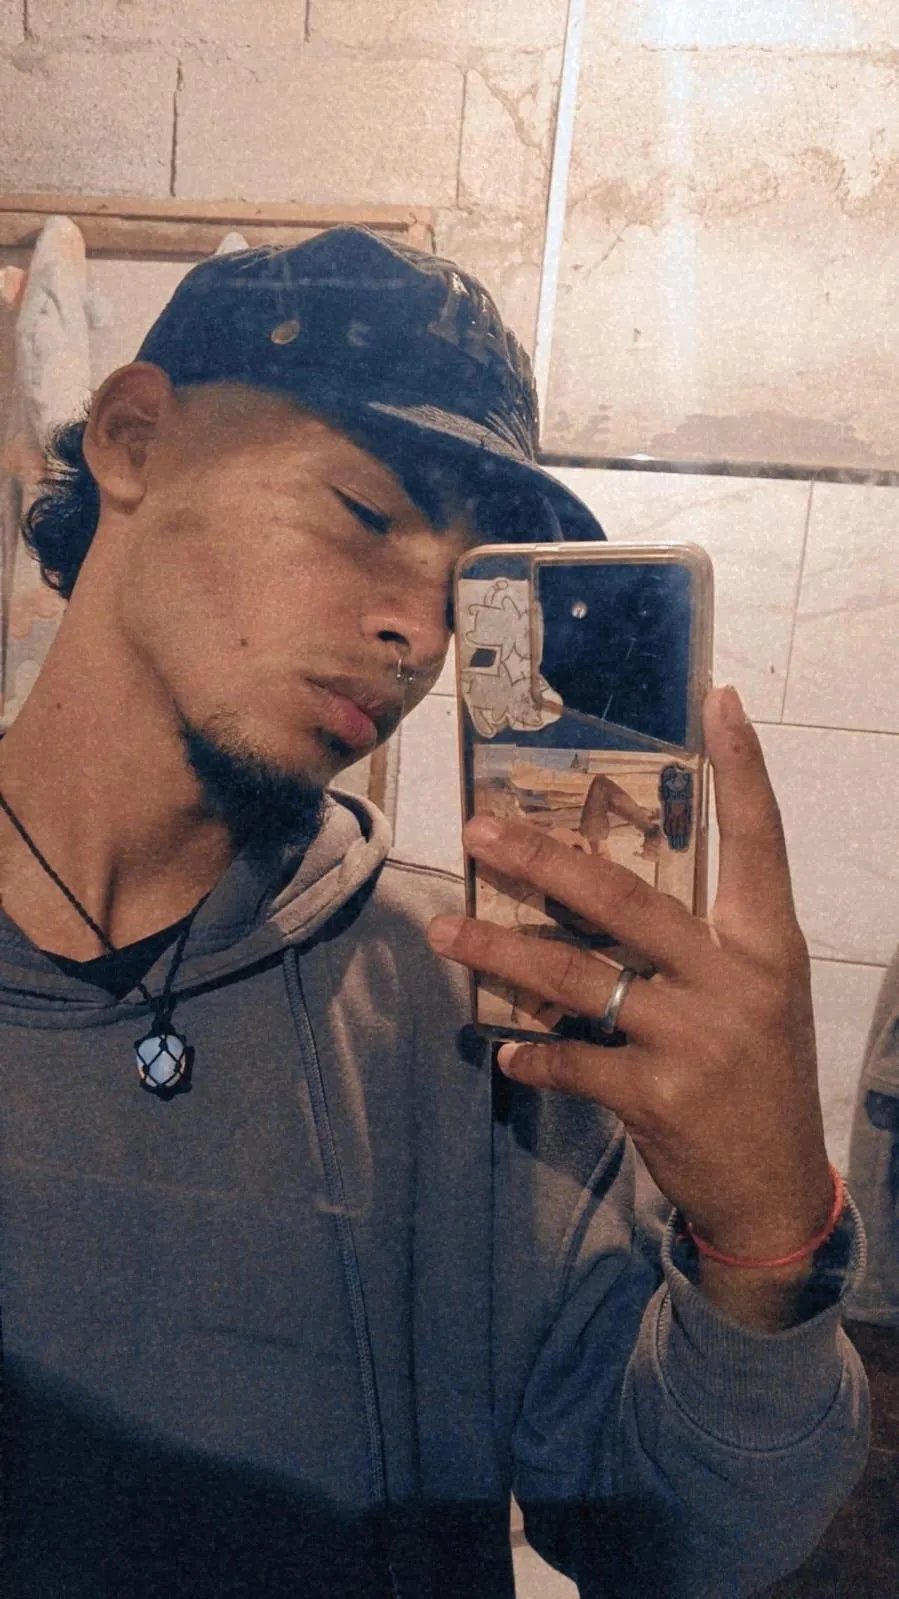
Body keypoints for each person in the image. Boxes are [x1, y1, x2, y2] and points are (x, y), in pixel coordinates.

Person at [0, 227, 868, 1598]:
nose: (424, 631)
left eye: (469, 584)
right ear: (133, 441)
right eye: (366, 513)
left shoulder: (482, 1016)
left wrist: (765, 1240)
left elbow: (681, 1541)